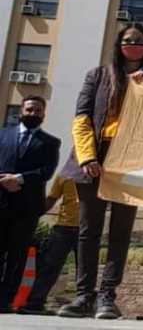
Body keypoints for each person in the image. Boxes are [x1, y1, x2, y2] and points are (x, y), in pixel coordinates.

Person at [58, 23, 143, 320]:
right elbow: (81, 118)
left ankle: (107, 297)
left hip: (131, 162)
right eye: (128, 40)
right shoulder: (98, 75)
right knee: (89, 231)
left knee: (120, 233)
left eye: (139, 41)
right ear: (118, 44)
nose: (133, 45)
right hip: (94, 158)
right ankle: (83, 296)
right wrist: (87, 157)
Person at [0, 96, 61, 313]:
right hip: (1, 202)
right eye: (29, 109)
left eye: (38, 111)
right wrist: (4, 180)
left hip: (27, 208)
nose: (33, 114)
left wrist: (18, 179)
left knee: (16, 256)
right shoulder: (2, 135)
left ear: (43, 114)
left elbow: (47, 171)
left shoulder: (50, 142)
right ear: (21, 110)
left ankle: (5, 300)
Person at [18, 175, 79, 315]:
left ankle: (84, 304)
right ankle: (34, 303)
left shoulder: (98, 175)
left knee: (85, 270)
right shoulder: (64, 176)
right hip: (64, 226)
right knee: (49, 265)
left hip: (88, 229)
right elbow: (52, 199)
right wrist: (34, 215)